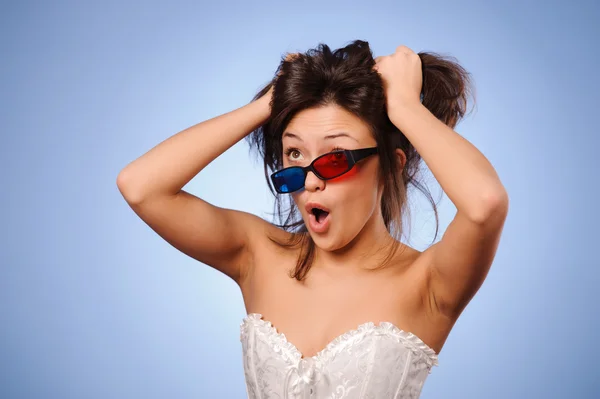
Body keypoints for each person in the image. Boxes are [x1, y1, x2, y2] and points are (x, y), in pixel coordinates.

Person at [117, 40, 509, 398]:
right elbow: (140, 186)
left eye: (336, 157)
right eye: (294, 155)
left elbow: (485, 202)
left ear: (391, 168)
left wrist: (406, 108)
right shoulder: (256, 254)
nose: (309, 182)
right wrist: (270, 103)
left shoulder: (430, 283)